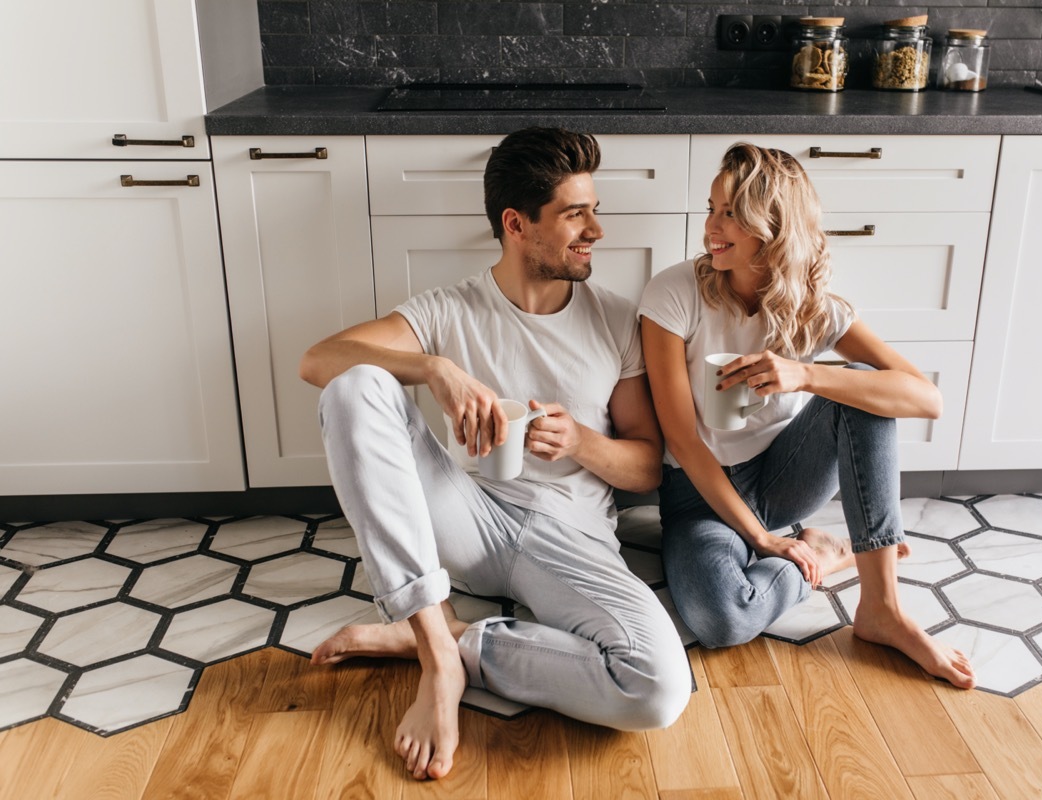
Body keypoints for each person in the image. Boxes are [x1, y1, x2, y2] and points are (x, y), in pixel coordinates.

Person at [299, 127, 691, 781]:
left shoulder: (617, 319)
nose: (597, 228)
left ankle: (453, 642)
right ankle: (436, 649)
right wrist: (433, 369)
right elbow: (318, 360)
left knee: (657, 689)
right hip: (470, 519)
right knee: (356, 385)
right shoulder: (450, 311)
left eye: (593, 209)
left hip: (571, 540)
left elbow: (648, 465)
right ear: (517, 224)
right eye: (575, 214)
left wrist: (582, 442)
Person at [637, 142, 975, 689]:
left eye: (730, 214)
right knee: (722, 618)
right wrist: (768, 542)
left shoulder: (814, 307)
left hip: (785, 476)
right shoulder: (673, 295)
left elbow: (925, 398)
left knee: (865, 390)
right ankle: (827, 554)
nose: (711, 227)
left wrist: (807, 374)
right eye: (711, 208)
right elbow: (683, 439)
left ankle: (881, 608)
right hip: (698, 495)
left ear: (772, 227)